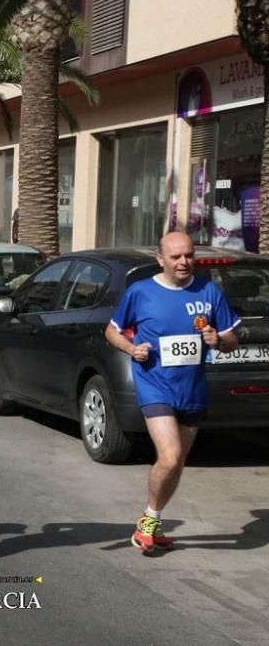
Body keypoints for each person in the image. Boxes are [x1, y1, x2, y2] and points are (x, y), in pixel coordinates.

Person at [104, 231, 240, 553]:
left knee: (177, 464)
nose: (184, 262)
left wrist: (217, 341)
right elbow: (111, 331)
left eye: (189, 255)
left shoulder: (209, 291)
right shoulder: (141, 292)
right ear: (160, 260)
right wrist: (131, 348)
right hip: (155, 383)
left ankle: (153, 519)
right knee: (170, 456)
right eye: (176, 257)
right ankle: (148, 524)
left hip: (192, 388)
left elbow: (232, 339)